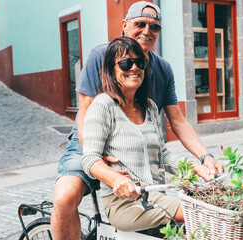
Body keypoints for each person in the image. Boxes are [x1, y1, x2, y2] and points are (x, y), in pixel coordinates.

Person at [51, 1, 224, 239]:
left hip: (137, 146)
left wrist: (205, 158)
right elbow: (85, 113)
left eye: (154, 27)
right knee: (65, 197)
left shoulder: (160, 73)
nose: (147, 31)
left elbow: (178, 122)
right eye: (140, 24)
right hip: (89, 140)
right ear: (125, 25)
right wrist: (100, 158)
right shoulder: (101, 56)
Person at [82, 36, 210, 231]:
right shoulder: (102, 105)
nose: (134, 68)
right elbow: (90, 159)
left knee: (210, 209)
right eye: (125, 63)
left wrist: (194, 167)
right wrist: (116, 179)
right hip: (124, 203)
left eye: (139, 62)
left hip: (155, 196)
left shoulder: (149, 107)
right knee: (200, 214)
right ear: (111, 70)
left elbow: (162, 154)